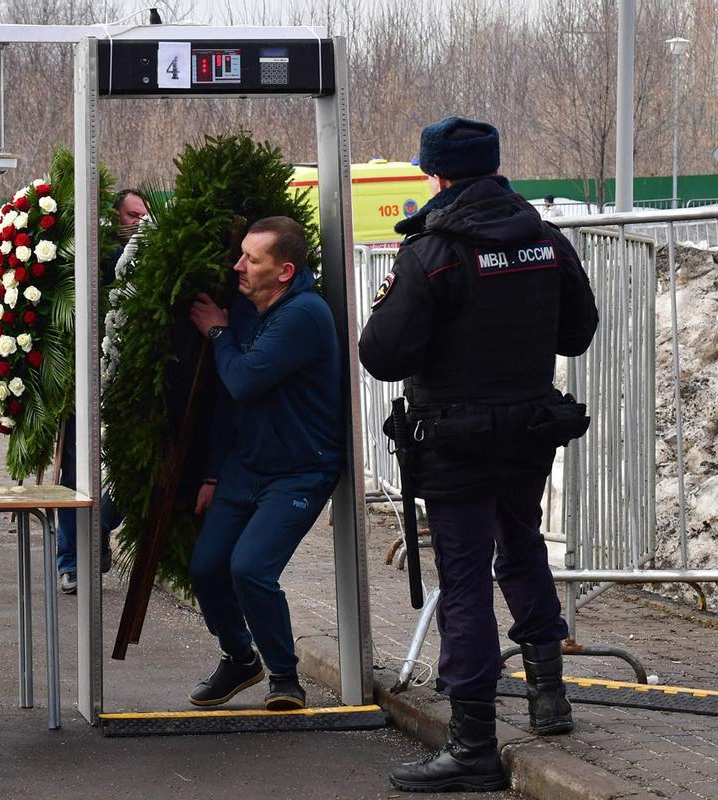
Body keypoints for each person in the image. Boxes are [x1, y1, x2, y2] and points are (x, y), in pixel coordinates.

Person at [359, 117, 598, 793]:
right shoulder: (547, 240)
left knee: (464, 580)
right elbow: (578, 333)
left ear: (435, 176)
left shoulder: (432, 251)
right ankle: (549, 700)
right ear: (495, 168)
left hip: (456, 440)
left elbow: (381, 354)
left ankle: (472, 744)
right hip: (528, 429)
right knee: (521, 548)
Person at [185, 216, 345, 711]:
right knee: (207, 568)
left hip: (300, 469)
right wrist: (214, 473)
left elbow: (244, 381)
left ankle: (284, 675)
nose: (238, 266)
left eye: (251, 260)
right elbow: (226, 406)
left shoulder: (303, 314)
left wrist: (217, 335)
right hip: (245, 467)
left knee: (250, 567)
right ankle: (239, 658)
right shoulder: (247, 310)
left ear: (284, 271)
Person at [55, 188, 149, 594]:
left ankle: (100, 525)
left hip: (130, 380)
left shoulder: (150, 259)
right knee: (74, 469)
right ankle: (71, 560)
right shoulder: (89, 258)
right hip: (82, 377)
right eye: (132, 215)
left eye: (144, 215)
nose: (139, 223)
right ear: (113, 218)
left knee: (135, 468)